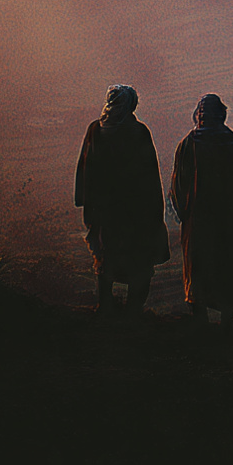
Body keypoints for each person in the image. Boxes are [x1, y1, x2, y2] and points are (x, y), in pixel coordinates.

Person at [74, 83, 169, 317]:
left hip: (105, 210)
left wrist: (88, 202)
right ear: (130, 105)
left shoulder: (95, 130)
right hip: (135, 211)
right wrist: (156, 210)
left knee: (106, 257)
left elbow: (85, 168)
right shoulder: (138, 132)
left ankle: (105, 307)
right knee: (138, 259)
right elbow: (149, 174)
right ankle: (133, 311)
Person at [170, 93, 233, 331]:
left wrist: (184, 213)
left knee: (199, 267)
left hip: (198, 222)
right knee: (228, 265)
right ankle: (227, 322)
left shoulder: (188, 143)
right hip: (231, 221)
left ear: (199, 115)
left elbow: (179, 183)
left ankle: (201, 322)